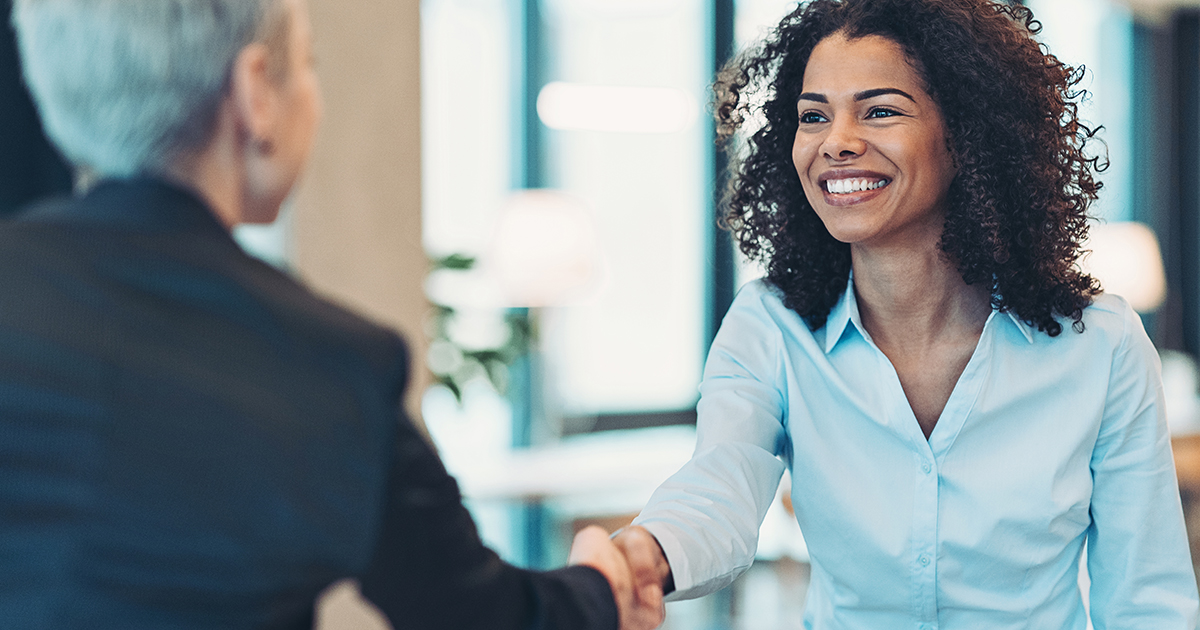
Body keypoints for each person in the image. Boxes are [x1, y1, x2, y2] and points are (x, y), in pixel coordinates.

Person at [0, 1, 663, 628]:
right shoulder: (328, 366)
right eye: (309, 62)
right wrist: (601, 591)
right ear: (256, 92)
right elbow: (484, 615)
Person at [612, 0, 1200, 628]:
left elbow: (1147, 602)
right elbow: (720, 490)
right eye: (814, 116)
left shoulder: (1102, 346)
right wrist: (644, 554)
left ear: (968, 134)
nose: (836, 142)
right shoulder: (770, 328)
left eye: (881, 110)